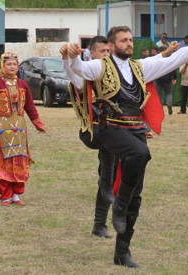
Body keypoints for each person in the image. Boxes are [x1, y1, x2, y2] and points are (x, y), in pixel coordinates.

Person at [64, 26, 188, 268]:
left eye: (129, 40)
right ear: (113, 45)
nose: (129, 43)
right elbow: (78, 71)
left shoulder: (140, 67)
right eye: (124, 40)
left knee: (136, 194)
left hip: (135, 128)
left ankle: (122, 253)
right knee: (141, 153)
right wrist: (72, 55)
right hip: (110, 128)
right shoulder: (100, 66)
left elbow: (175, 58)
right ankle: (117, 205)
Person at [0, 52, 47, 206]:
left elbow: (30, 107)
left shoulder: (22, 84)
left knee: (19, 159)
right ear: (2, 66)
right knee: (4, 160)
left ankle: (16, 195)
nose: (12, 67)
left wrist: (38, 123)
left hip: (19, 127)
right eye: (9, 64)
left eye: (14, 64)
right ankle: (5, 195)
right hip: (1, 127)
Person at [65, 35, 117, 238]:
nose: (106, 55)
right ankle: (105, 186)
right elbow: (72, 75)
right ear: (91, 53)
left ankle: (100, 224)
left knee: (112, 176)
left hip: (116, 132)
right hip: (94, 131)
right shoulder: (86, 72)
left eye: (108, 52)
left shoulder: (115, 73)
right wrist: (68, 59)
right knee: (107, 173)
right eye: (102, 52)